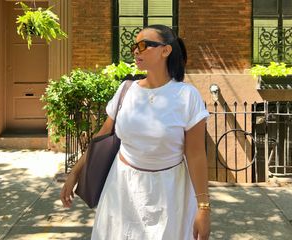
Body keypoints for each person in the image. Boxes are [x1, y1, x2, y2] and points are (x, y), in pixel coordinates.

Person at [60, 24, 211, 240]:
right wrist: (74, 173)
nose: (135, 51)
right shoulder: (126, 90)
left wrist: (203, 207)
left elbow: (196, 154)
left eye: (143, 45)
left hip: (170, 194)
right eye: (134, 46)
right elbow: (101, 137)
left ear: (165, 50)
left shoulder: (187, 96)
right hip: (121, 189)